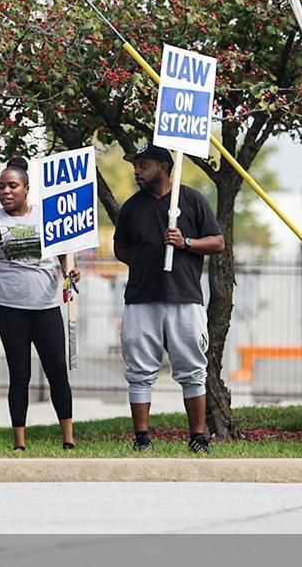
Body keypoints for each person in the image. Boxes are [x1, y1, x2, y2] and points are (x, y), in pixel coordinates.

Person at [113, 142, 224, 454]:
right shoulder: (132, 207)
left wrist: (185, 241)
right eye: (135, 164)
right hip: (140, 298)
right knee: (139, 370)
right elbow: (120, 247)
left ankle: (198, 437)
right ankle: (142, 438)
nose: (136, 170)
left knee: (192, 369)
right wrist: (143, 260)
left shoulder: (191, 200)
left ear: (163, 166)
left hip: (184, 297)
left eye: (143, 164)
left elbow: (217, 243)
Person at [0, 157, 78, 451]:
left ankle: (68, 438)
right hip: (8, 307)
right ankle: (19, 443)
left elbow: (66, 253)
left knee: (57, 370)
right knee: (20, 375)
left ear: (26, 189)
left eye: (12, 186)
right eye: (1, 186)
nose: (6, 191)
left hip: (46, 306)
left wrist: (70, 271)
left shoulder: (47, 217)